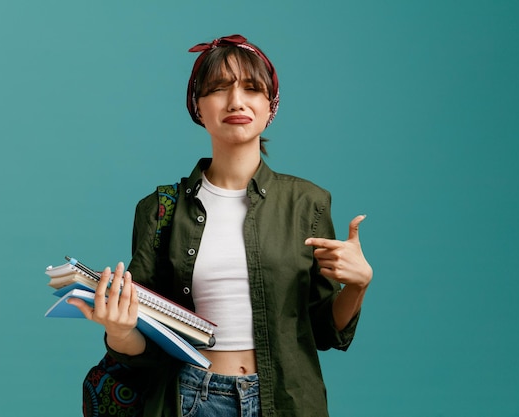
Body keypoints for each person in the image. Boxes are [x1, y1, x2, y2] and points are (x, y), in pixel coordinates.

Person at [69, 34, 373, 417]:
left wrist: (358, 284)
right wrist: (117, 330)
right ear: (198, 106)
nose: (236, 101)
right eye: (218, 89)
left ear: (269, 105)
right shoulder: (160, 209)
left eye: (251, 88)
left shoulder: (308, 202)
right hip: (192, 399)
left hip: (286, 400)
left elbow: (326, 331)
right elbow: (145, 347)